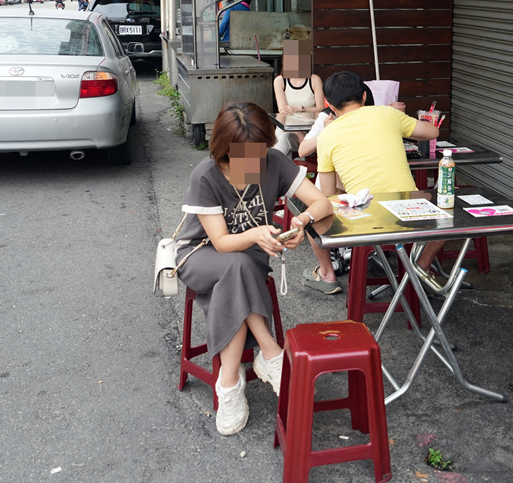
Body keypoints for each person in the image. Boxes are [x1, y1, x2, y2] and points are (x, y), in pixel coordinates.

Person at [174, 102, 333, 435]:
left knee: (241, 269)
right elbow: (220, 242)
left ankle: (230, 382)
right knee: (236, 264)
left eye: (259, 155)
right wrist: (255, 233)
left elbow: (322, 202)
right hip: (199, 256)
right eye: (242, 158)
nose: (254, 165)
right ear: (222, 152)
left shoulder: (273, 161)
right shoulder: (206, 175)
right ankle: (270, 353)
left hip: (249, 258)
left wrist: (300, 221)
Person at [294, 70, 444, 293]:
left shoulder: (326, 134)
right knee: (447, 212)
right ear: (364, 96)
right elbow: (432, 132)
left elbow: (328, 195)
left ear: (330, 105)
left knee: (314, 220)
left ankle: (326, 274)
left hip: (365, 221)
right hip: (411, 212)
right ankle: (422, 265)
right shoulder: (387, 114)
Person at [272, 39, 324, 156]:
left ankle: (270, 169)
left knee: (285, 144)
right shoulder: (280, 81)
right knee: (285, 138)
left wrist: (299, 108)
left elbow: (320, 108)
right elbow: (283, 111)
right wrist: (297, 131)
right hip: (286, 128)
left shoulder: (314, 80)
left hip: (310, 129)